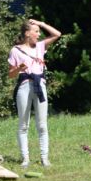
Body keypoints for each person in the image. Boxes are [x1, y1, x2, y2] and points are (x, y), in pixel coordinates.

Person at [8, 19, 62, 168]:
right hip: (24, 87)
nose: (39, 34)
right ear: (27, 33)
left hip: (40, 85)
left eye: (39, 31)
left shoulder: (40, 46)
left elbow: (57, 34)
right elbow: (11, 75)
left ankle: (45, 159)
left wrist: (41, 23)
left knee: (42, 125)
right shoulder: (15, 50)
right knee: (23, 125)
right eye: (36, 31)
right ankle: (25, 159)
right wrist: (18, 68)